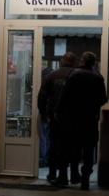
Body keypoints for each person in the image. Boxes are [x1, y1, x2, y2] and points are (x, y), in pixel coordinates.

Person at [56, 51, 107, 190]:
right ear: (93, 63)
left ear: (83, 61)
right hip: (90, 120)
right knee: (89, 151)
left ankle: (64, 177)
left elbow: (64, 96)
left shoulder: (74, 75)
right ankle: (85, 180)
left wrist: (60, 113)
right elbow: (103, 99)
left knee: (70, 148)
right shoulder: (98, 77)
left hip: (72, 120)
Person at [37, 52, 80, 186]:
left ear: (62, 61)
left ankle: (53, 174)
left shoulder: (51, 75)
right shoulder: (78, 75)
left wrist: (44, 113)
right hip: (74, 118)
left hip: (55, 117)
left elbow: (42, 96)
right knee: (73, 147)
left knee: (55, 146)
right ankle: (73, 175)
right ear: (74, 62)